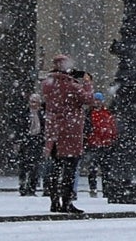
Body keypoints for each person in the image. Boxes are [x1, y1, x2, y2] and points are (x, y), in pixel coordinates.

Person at [40, 57, 96, 216]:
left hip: (53, 131)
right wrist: (87, 83)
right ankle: (67, 201)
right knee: (70, 168)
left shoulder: (48, 84)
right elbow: (89, 99)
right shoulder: (72, 85)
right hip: (70, 131)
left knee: (55, 167)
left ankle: (54, 201)